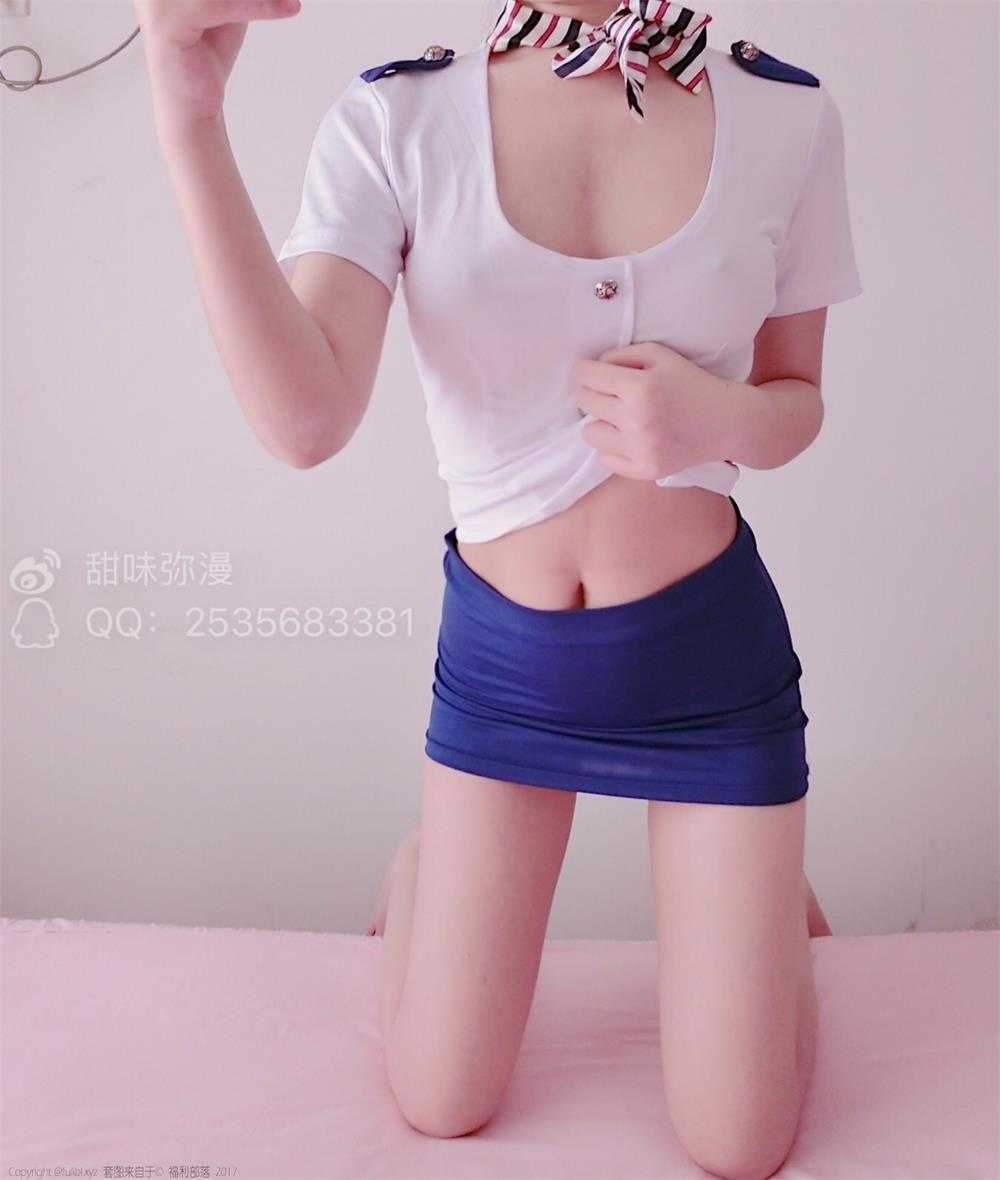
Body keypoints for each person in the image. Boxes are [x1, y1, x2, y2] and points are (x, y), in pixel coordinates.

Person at [135, 1, 860, 1175]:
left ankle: (764, 900)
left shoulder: (787, 113)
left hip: (712, 673)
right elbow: (305, 422)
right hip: (503, 675)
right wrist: (189, 119)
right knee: (442, 1101)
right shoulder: (398, 116)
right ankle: (422, 865)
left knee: (740, 1145)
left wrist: (716, 418)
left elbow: (798, 399)